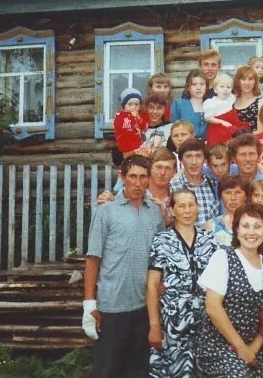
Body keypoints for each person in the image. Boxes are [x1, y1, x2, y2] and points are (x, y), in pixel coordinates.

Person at [83, 155, 166, 378]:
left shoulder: (155, 212)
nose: (138, 183)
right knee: (108, 370)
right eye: (133, 177)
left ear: (149, 179)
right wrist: (89, 303)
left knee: (138, 370)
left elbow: (160, 258)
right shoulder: (106, 210)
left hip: (143, 306)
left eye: (143, 177)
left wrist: (161, 284)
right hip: (112, 307)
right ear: (123, 177)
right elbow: (93, 258)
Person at [196, 203, 263, 377]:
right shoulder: (223, 257)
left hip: (255, 347)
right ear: (236, 230)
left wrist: (252, 349)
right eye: (245, 226)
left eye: (257, 227)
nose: (251, 232)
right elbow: (213, 307)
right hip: (220, 346)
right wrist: (241, 348)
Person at [147, 188, 219, 377]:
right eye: (181, 206)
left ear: (197, 208)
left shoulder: (210, 240)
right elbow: (152, 285)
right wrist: (154, 325)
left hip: (207, 319)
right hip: (173, 321)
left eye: (191, 205)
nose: (187, 210)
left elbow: (220, 282)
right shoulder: (162, 240)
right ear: (173, 210)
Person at [228, 133, 263, 211]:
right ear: (234, 158)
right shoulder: (227, 181)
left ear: (259, 157)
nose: (248, 159)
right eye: (243, 154)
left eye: (252, 154)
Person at [169, 138, 219, 226]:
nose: (194, 162)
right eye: (188, 156)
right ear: (181, 160)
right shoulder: (173, 187)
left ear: (205, 160)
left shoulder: (214, 185)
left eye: (198, 156)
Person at [204, 175, 251, 246]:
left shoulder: (256, 223)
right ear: (221, 197)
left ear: (246, 196)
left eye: (238, 192)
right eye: (228, 193)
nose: (233, 198)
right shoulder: (210, 226)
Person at [205, 73, 247, 147]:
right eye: (222, 87)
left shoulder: (232, 98)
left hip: (232, 126)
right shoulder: (211, 102)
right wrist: (222, 122)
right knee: (218, 148)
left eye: (228, 87)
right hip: (218, 129)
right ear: (215, 89)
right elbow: (208, 118)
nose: (225, 89)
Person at [113, 87, 149, 162]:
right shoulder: (121, 115)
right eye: (130, 104)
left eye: (136, 104)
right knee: (126, 162)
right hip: (126, 144)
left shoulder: (138, 116)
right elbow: (120, 128)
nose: (133, 107)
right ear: (124, 105)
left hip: (136, 144)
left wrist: (138, 118)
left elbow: (144, 126)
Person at [171, 70, 208, 139]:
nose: (198, 88)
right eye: (194, 84)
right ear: (188, 87)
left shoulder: (211, 105)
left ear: (206, 86)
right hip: (185, 146)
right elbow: (173, 129)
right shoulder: (179, 104)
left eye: (202, 84)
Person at [232, 65, 263, 131]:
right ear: (238, 81)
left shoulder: (261, 102)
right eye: (243, 79)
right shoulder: (231, 101)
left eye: (250, 79)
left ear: (255, 81)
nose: (247, 83)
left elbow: (261, 131)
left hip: (253, 140)